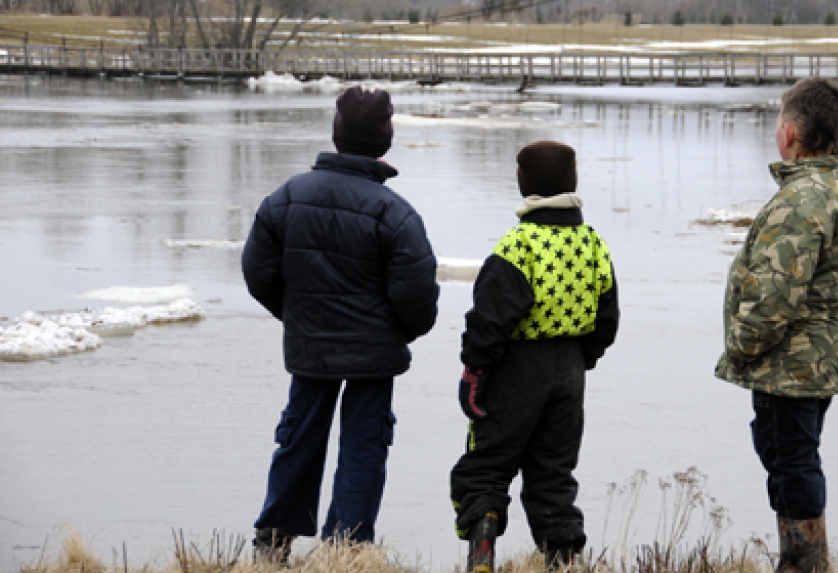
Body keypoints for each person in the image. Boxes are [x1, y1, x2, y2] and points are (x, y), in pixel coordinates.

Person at [241, 86, 439, 559]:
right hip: (374, 353)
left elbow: (257, 272)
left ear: (336, 133)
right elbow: (417, 297)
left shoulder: (286, 198)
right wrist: (393, 331)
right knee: (365, 445)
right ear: (385, 141)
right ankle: (345, 551)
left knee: (298, 437)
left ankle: (273, 545)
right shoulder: (396, 213)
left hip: (311, 346)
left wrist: (298, 315)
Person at [715, 77, 838, 573]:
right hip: (820, 357)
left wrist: (740, 346)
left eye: (780, 122)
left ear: (789, 134)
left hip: (790, 363)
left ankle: (801, 565)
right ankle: (812, 562)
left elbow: (774, 297)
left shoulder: (801, 200)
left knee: (792, 464)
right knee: (793, 457)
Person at [450, 141, 620, 572]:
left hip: (516, 369)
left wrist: (475, 371)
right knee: (553, 473)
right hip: (569, 370)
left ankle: (482, 554)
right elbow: (608, 317)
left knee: (488, 464)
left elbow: (489, 319)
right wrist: (583, 357)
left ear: (523, 184)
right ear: (573, 182)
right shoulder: (593, 243)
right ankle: (563, 561)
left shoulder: (518, 245)